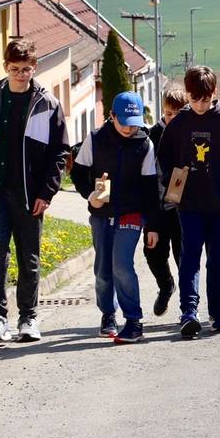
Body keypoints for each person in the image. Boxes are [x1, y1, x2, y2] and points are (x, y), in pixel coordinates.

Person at [0, 39, 69, 343]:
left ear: (34, 67)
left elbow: (60, 152)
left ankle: (28, 318)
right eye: (14, 69)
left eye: (26, 69)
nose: (21, 74)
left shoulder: (47, 103)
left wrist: (46, 193)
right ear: (6, 67)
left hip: (29, 195)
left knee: (29, 256)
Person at [157, 65, 220, 338]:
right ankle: (188, 311)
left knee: (217, 260)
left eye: (205, 98)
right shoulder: (179, 124)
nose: (199, 104)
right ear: (187, 94)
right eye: (194, 98)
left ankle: (217, 311)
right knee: (189, 259)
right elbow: (163, 160)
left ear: (214, 93)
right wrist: (172, 188)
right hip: (189, 206)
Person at [72, 91, 160, 344]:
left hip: (131, 212)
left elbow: (150, 188)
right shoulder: (96, 138)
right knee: (102, 270)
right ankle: (108, 314)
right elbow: (78, 173)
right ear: (111, 116)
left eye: (134, 123)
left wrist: (152, 225)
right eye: (124, 122)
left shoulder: (145, 144)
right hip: (101, 213)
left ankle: (133, 320)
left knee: (121, 265)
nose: (129, 128)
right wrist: (91, 196)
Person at [145, 86, 188, 317]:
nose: (172, 118)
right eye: (168, 113)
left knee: (185, 258)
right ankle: (165, 285)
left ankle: (188, 306)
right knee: (153, 253)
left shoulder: (190, 133)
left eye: (178, 114)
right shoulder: (152, 135)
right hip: (157, 207)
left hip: (183, 209)